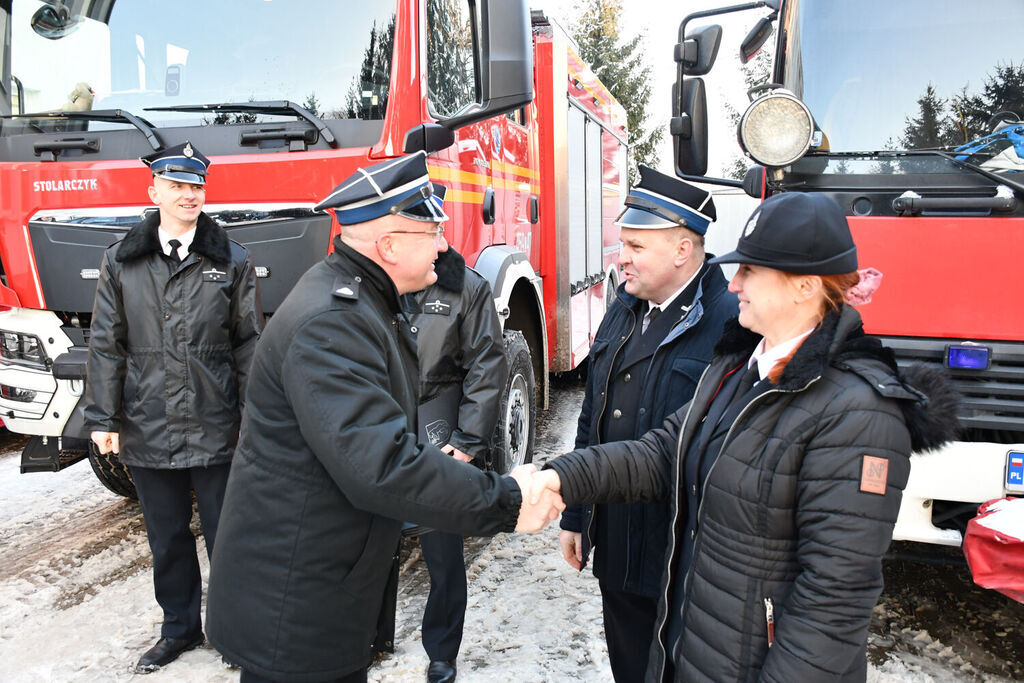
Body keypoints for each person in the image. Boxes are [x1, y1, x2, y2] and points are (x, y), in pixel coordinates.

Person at [536, 193, 958, 681]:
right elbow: (660, 455)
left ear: (804, 287)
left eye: (750, 272)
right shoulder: (739, 367)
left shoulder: (858, 412)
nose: (733, 283)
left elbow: (831, 604)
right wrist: (559, 480)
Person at [204, 152, 561, 683]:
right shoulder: (334, 323)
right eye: (432, 232)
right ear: (389, 246)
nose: (444, 245)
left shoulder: (361, 302)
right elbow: (382, 465)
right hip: (295, 612)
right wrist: (506, 501)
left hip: (317, 597)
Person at [84, 141, 263, 673]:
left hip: (216, 424)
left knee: (227, 537)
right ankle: (178, 630)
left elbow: (248, 345)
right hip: (147, 422)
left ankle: (235, 632)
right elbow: (106, 342)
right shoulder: (122, 260)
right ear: (154, 190)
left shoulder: (230, 259)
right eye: (178, 186)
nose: (189, 195)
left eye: (196, 186)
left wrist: (255, 419)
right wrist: (103, 418)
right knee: (165, 539)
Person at [558, 165, 736, 681]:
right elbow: (593, 414)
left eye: (636, 247)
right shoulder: (624, 307)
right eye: (623, 244)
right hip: (617, 548)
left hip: (682, 560)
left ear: (683, 250)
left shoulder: (731, 321)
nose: (622, 258)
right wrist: (577, 514)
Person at [410, 244, 509, 683]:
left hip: (438, 430)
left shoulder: (467, 288)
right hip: (379, 427)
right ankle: (370, 636)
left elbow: (487, 365)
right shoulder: (371, 282)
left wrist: (466, 442)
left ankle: (442, 651)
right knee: (368, 540)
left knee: (441, 550)